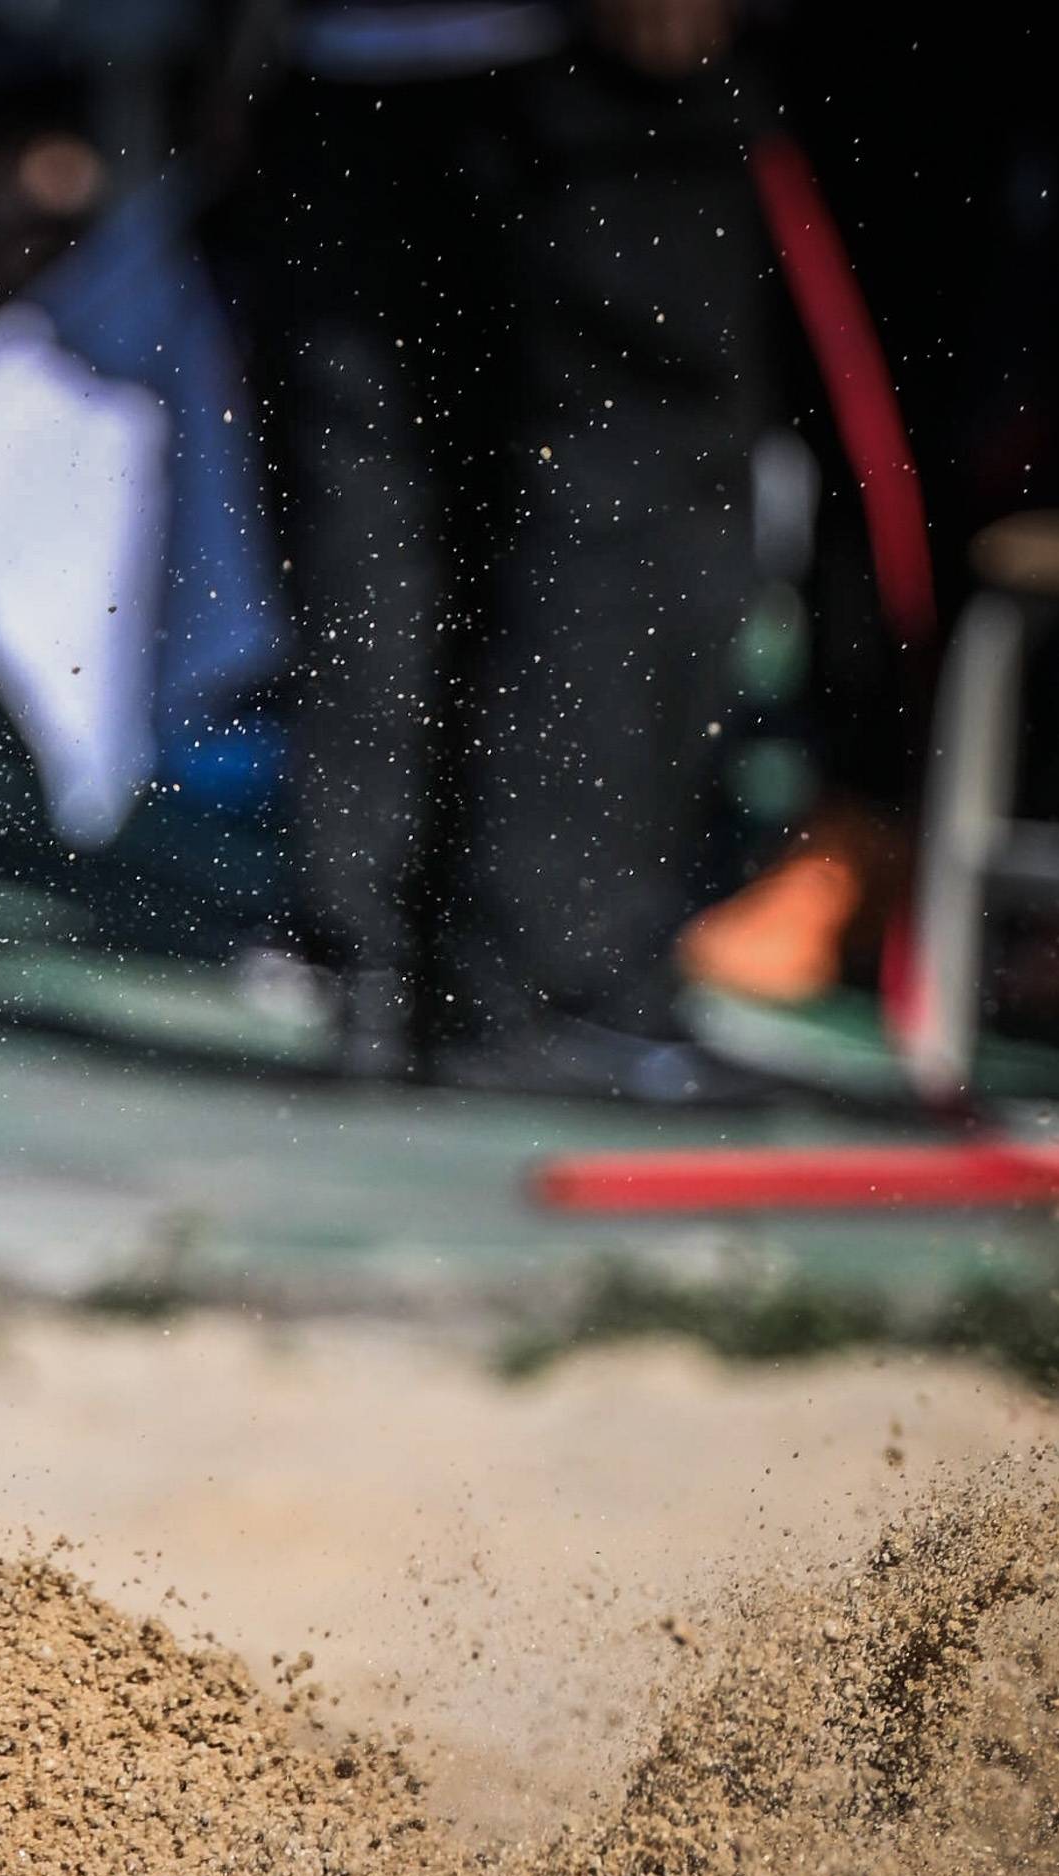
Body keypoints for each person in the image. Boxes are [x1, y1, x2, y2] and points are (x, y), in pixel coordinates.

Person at [233, 0, 769, 1100]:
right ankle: (544, 983)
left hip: (349, 59)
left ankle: (376, 963)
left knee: (384, 491)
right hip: (577, 72)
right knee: (618, 501)